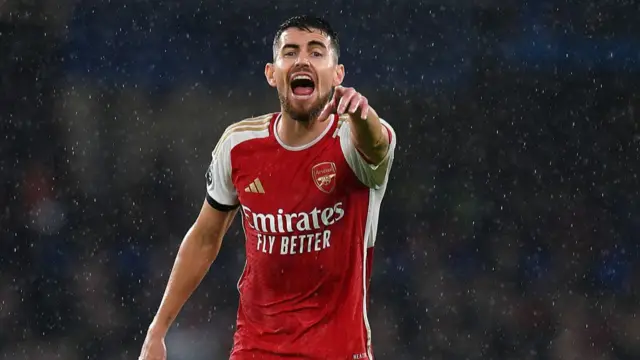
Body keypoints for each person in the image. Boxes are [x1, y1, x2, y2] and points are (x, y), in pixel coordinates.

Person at [139, 15, 397, 360]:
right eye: (290, 53)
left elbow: (377, 145)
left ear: (338, 74)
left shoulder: (352, 139)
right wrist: (158, 329)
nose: (302, 60)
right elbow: (205, 236)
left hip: (339, 351)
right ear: (271, 73)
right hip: (256, 350)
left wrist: (364, 116)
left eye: (317, 52)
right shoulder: (240, 145)